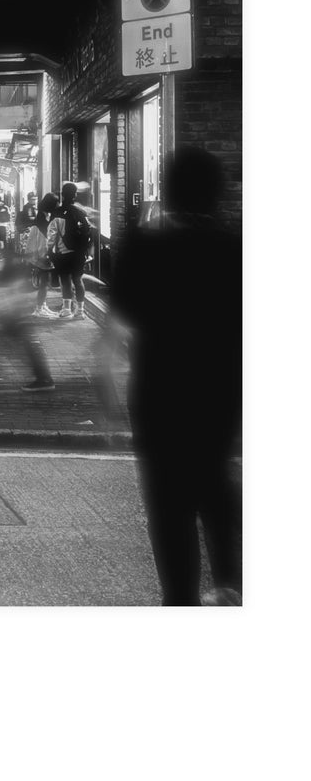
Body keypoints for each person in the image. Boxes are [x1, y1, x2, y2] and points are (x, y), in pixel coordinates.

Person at [108, 147, 242, 606]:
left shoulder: (143, 246)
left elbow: (118, 324)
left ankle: (180, 598)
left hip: (157, 389)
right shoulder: (235, 248)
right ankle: (228, 580)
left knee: (167, 500)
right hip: (220, 388)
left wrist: (105, 393)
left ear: (166, 189)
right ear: (217, 192)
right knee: (213, 473)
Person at [47, 181, 96, 320]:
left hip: (63, 252)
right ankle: (80, 311)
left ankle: (67, 309)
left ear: (62, 195)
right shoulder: (81, 212)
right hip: (79, 252)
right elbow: (89, 232)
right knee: (78, 280)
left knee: (65, 280)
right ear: (75, 195)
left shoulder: (57, 213)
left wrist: (49, 250)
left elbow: (52, 235)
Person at [25, 192, 60, 319]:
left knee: (45, 281)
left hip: (40, 252)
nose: (58, 205)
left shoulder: (43, 214)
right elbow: (45, 237)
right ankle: (39, 308)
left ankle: (42, 306)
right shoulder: (43, 219)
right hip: (42, 253)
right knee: (45, 281)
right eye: (56, 203)